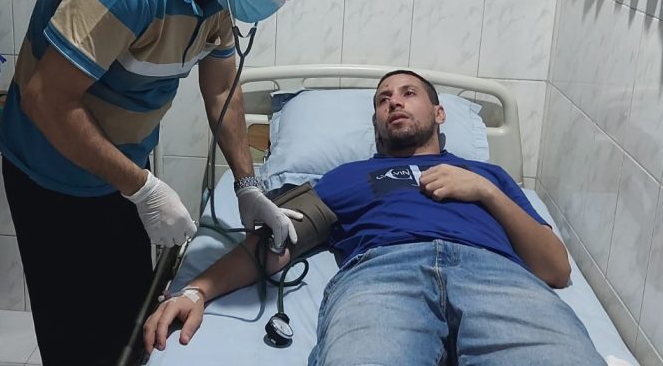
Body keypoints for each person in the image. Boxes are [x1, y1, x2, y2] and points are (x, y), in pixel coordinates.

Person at [0, 0, 328, 364]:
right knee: (74, 337)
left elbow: (221, 90)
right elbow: (45, 99)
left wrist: (247, 185)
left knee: (130, 324)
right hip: (50, 174)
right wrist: (144, 189)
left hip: (121, 173)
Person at [144, 70, 607, 365]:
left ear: (439, 112)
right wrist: (196, 290)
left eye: (408, 93)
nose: (394, 103)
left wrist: (484, 191)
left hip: (497, 278)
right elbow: (278, 241)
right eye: (383, 99)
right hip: (385, 276)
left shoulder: (489, 175)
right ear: (376, 123)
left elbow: (555, 268)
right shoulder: (350, 177)